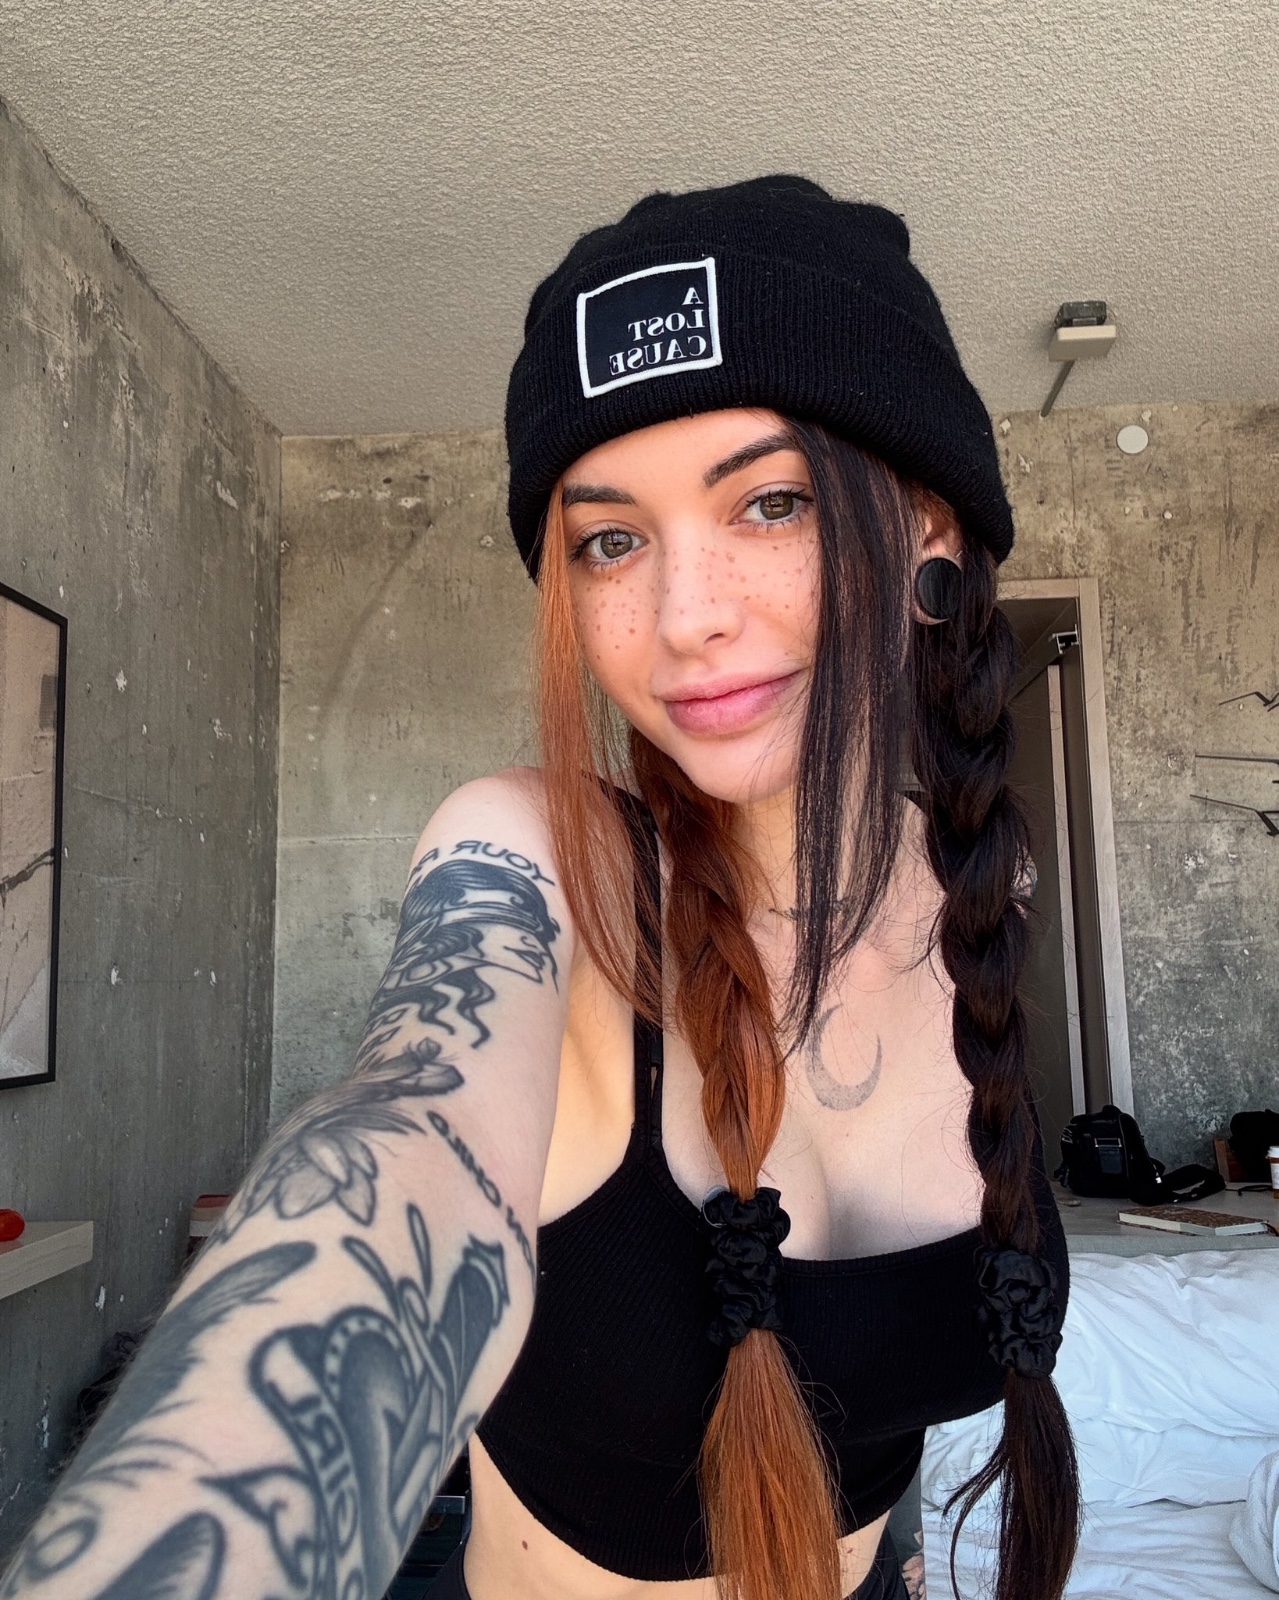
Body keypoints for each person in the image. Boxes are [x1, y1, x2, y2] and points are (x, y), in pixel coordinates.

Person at [0, 176, 1079, 1600]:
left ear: (930, 528)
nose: (685, 616)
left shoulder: (978, 892)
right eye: (610, 540)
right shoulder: (533, 864)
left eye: (771, 503)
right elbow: (406, 1146)